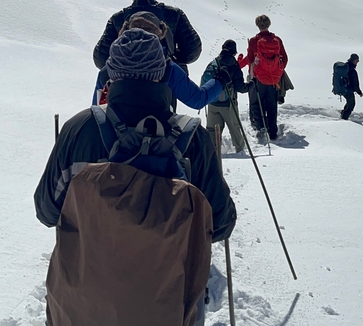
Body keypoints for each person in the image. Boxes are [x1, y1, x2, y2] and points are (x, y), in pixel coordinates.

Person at [35, 31, 236, 326]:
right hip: (166, 308)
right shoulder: (193, 138)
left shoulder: (79, 129)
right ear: (163, 76)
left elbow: (47, 211)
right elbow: (220, 224)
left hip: (82, 307)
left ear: (112, 76)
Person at [93, 14, 223, 110]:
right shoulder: (167, 68)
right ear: (159, 35)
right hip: (159, 138)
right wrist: (219, 81)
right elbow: (197, 100)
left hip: (113, 141)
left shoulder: (108, 70)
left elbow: (96, 112)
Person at [93, 0, 201, 71]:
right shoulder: (174, 15)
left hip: (127, 80)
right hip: (166, 79)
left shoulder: (118, 19)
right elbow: (192, 51)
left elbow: (100, 60)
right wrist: (172, 57)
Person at [238, 15, 288, 141]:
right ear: (269, 24)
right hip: (273, 79)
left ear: (257, 25)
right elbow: (285, 58)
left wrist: (240, 63)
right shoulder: (276, 40)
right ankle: (273, 131)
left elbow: (249, 59)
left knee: (256, 102)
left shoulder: (254, 41)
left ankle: (260, 128)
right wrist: (278, 70)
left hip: (258, 78)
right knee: (272, 104)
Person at [202, 40, 249, 153]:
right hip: (228, 104)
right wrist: (252, 85)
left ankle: (212, 152)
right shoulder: (233, 65)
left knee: (212, 129)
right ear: (234, 52)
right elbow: (240, 87)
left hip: (212, 102)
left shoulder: (214, 62)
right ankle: (240, 151)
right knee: (234, 128)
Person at [340, 54, 363, 120]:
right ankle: (344, 118)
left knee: (349, 102)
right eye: (357, 60)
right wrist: (359, 92)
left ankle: (343, 114)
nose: (357, 62)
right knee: (351, 104)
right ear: (353, 60)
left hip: (343, 89)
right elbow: (355, 83)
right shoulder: (352, 70)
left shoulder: (346, 67)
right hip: (348, 90)